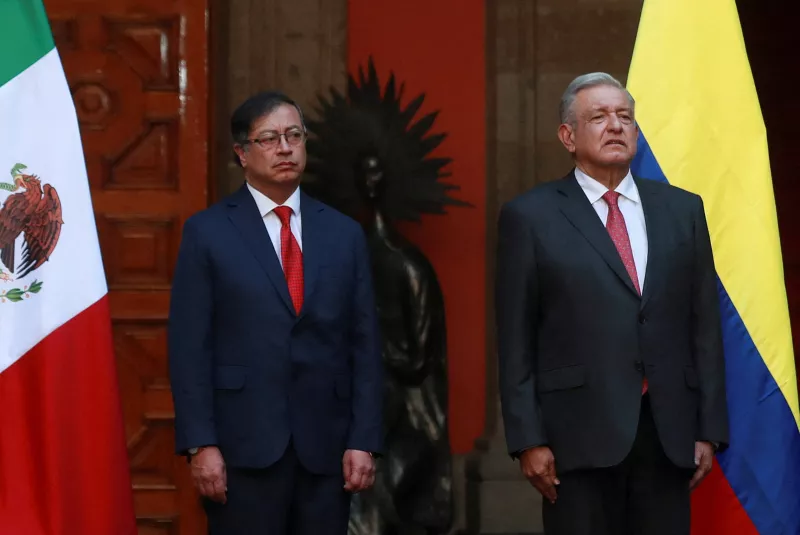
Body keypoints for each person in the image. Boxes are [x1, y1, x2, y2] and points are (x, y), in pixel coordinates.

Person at [495, 72, 729, 535]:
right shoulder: (531, 216)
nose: (615, 126)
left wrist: (708, 429)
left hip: (667, 434)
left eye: (624, 117)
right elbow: (515, 336)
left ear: (637, 133)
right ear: (568, 135)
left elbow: (704, 325)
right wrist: (526, 439)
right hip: (575, 438)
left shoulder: (683, 210)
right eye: (598, 117)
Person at [168, 91, 383, 535]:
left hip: (326, 451)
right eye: (269, 138)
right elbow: (189, 348)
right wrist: (200, 445)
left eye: (293, 136)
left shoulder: (344, 234)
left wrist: (364, 440)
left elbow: (365, 345)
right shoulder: (208, 232)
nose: (285, 148)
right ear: (242, 154)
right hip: (241, 449)